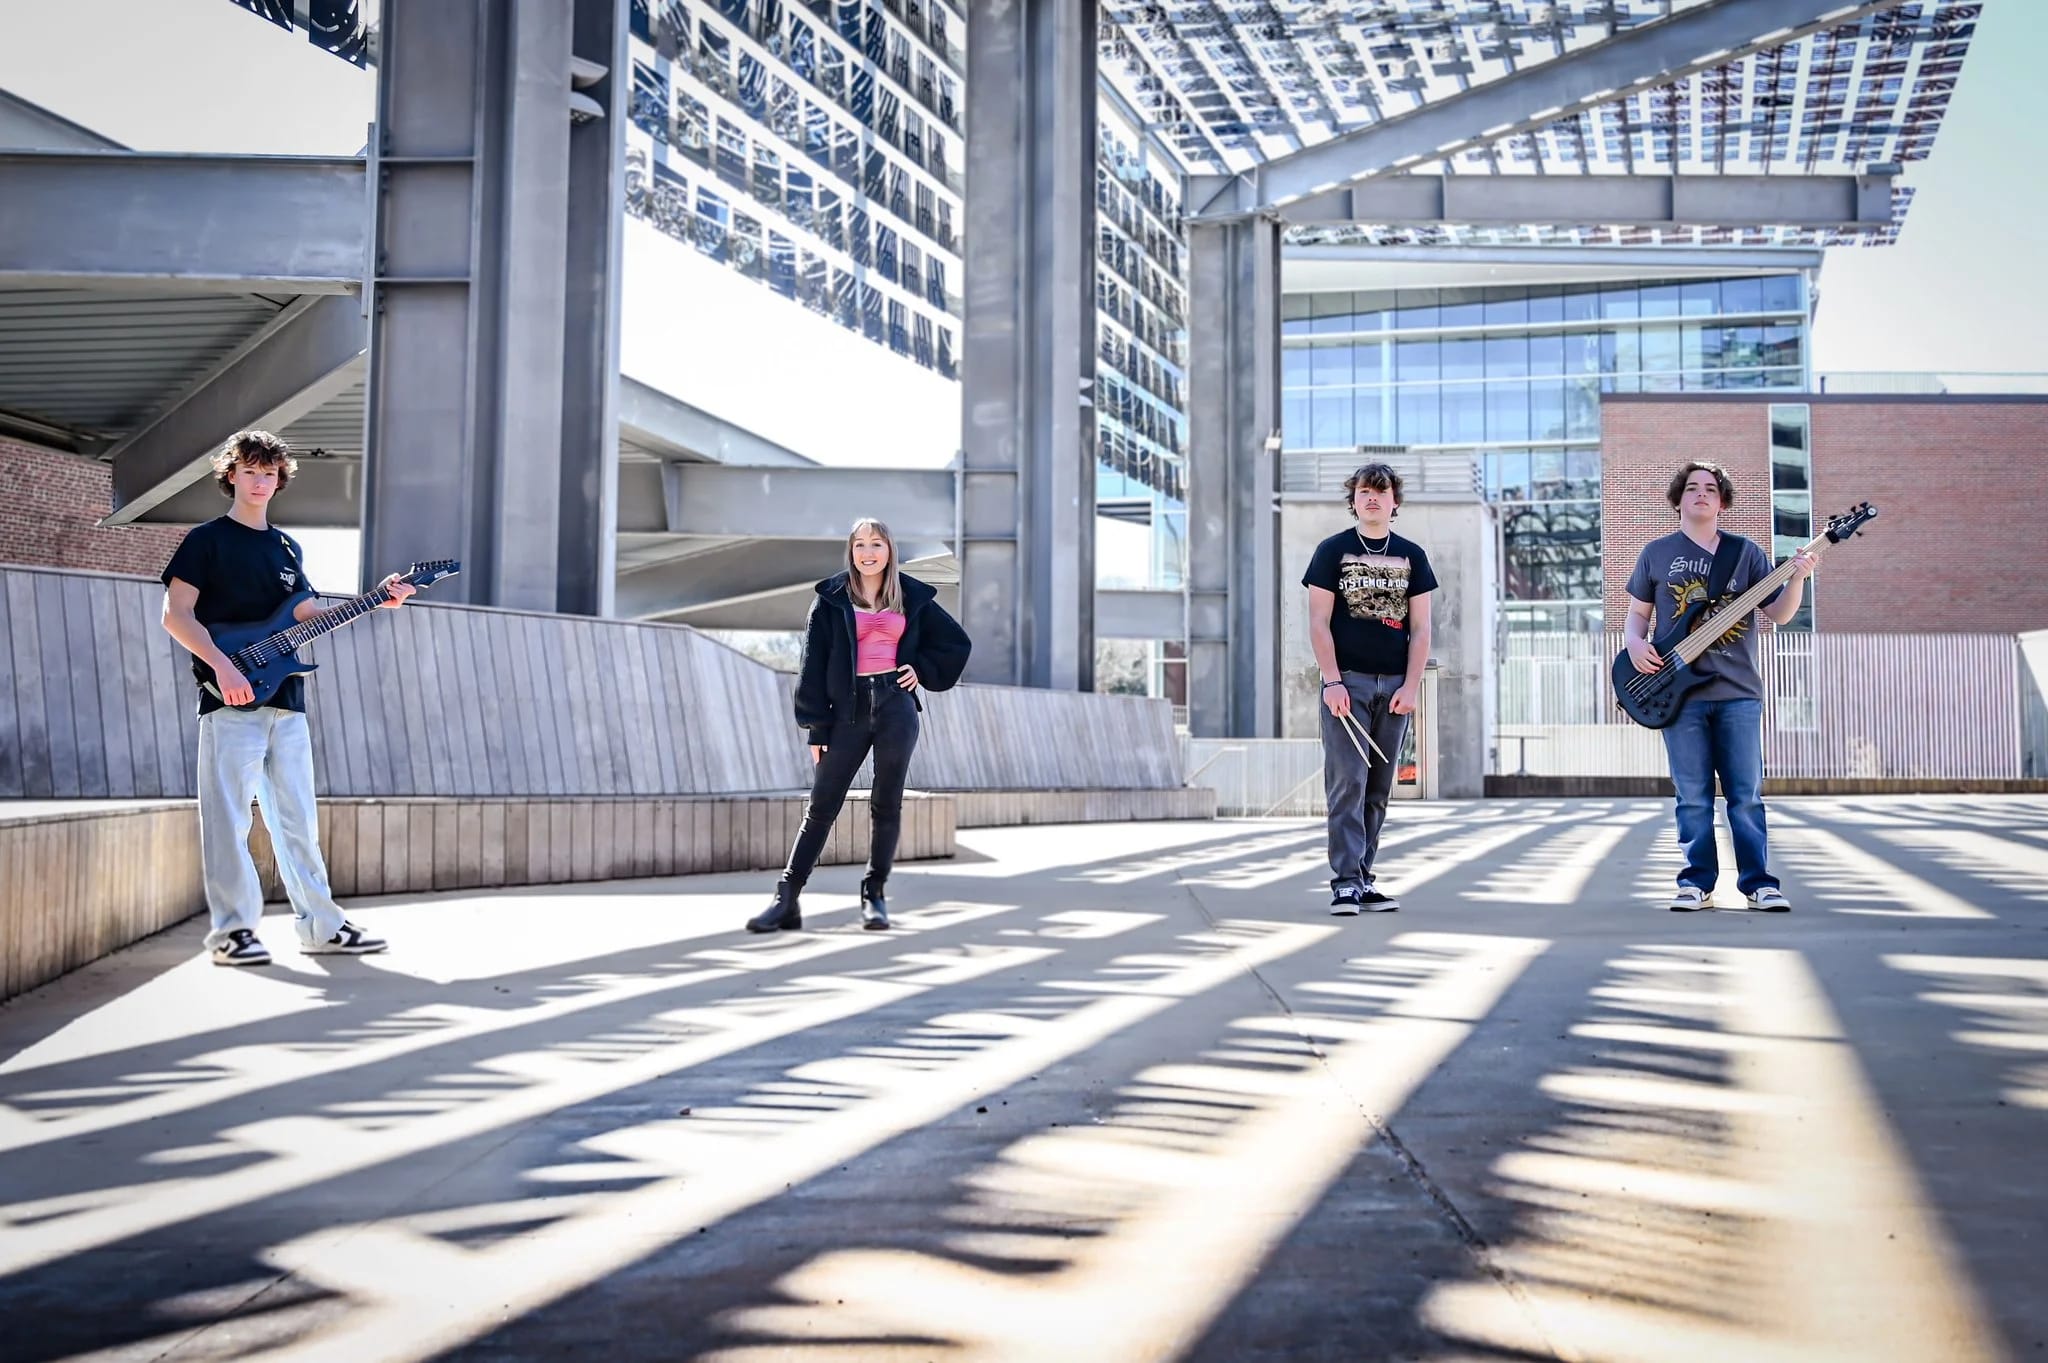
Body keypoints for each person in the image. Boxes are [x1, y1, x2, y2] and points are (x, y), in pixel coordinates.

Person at [160, 431, 416, 966]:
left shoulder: (286, 548)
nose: (260, 482)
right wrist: (223, 666)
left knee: (298, 820)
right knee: (229, 820)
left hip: (287, 701)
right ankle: (233, 934)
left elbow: (305, 614)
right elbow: (176, 616)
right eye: (251, 471)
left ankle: (322, 926)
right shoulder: (206, 541)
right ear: (231, 475)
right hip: (229, 698)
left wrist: (378, 599)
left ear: (279, 481)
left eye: (269, 473)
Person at [746, 518, 971, 933]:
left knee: (886, 804)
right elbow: (811, 665)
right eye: (860, 545)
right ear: (851, 551)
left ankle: (874, 895)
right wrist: (816, 727)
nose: (868, 553)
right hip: (845, 713)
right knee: (821, 807)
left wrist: (920, 670)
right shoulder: (831, 599)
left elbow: (956, 643)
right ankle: (786, 898)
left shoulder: (911, 596)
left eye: (876, 544)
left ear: (890, 550)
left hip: (895, 707)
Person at [1623, 460, 1816, 912]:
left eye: (1711, 488)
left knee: (1745, 795)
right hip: (1679, 693)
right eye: (1692, 487)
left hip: (1738, 692)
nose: (1701, 494)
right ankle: (1697, 884)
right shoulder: (1656, 553)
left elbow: (1780, 614)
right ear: (1679, 499)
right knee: (1692, 796)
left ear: (1722, 502)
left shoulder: (1745, 553)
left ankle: (1759, 884)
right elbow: (1637, 614)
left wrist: (1798, 577)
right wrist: (1634, 642)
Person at [1302, 462, 1437, 915]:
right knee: (1348, 784)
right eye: (1364, 491)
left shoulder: (1412, 555)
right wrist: (1332, 680)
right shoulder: (1332, 551)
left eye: (1381, 491)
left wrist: (1412, 686)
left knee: (1378, 789)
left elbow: (1422, 629)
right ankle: (1344, 883)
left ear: (1395, 502)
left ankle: (1363, 878)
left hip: (1395, 688)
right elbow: (1318, 622)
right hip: (1348, 685)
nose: (1372, 498)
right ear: (1354, 500)